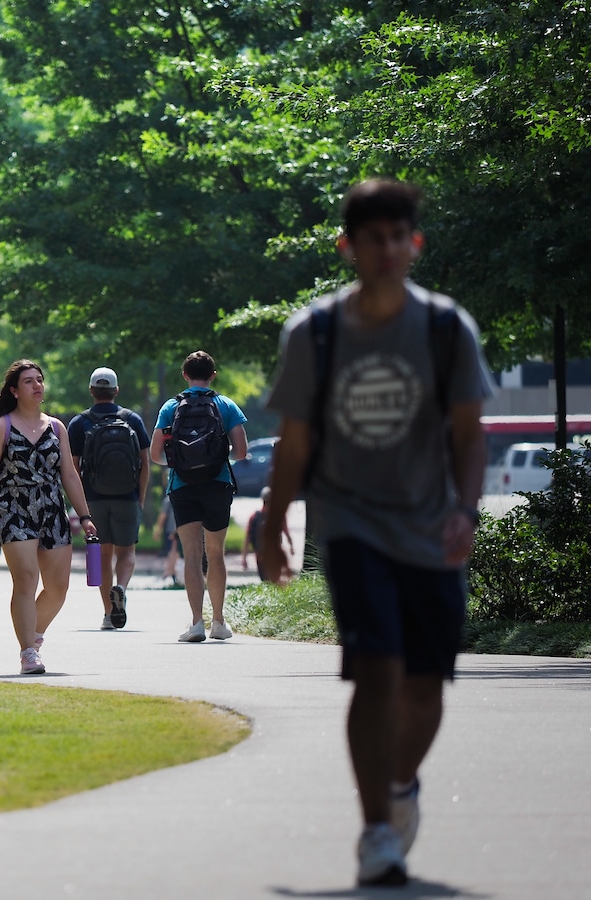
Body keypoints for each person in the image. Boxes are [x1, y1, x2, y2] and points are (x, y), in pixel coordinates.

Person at [260, 178, 494, 887]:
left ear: (414, 244)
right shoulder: (316, 333)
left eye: (400, 237)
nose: (388, 249)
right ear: (349, 247)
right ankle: (376, 837)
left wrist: (467, 510)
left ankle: (398, 787)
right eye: (373, 239)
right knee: (377, 672)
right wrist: (273, 527)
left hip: (430, 524)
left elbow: (469, 435)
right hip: (351, 521)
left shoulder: (446, 328)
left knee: (426, 687)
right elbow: (294, 446)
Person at [0, 359, 98, 675]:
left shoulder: (56, 427)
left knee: (58, 588)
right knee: (27, 579)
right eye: (29, 381)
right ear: (14, 391)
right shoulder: (0, 427)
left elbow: (70, 475)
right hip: (14, 509)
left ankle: (32, 632)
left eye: (40, 380)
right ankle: (28, 652)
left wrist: (85, 516)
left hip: (52, 509)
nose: (37, 385)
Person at [150, 350, 248, 642]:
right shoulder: (226, 405)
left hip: (182, 486)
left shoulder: (170, 407)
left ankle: (196, 623)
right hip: (217, 485)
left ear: (185, 375)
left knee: (191, 555)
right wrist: (215, 459)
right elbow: (241, 451)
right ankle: (219, 621)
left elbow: (155, 455)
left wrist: (180, 462)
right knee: (215, 554)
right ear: (213, 375)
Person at [68, 366, 150, 630]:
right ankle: (121, 587)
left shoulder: (79, 423)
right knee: (126, 552)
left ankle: (107, 614)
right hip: (127, 496)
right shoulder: (132, 419)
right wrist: (140, 496)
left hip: (93, 498)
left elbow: (73, 468)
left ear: (91, 391)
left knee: (103, 554)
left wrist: (81, 507)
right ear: (116, 391)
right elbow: (145, 463)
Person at [242, 486, 293, 582]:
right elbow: (286, 533)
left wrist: (244, 558)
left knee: (264, 581)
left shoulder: (254, 517)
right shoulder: (278, 516)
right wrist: (291, 547)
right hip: (274, 554)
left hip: (259, 556)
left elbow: (248, 538)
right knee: (275, 581)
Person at [152, 494, 182, 587]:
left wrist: (157, 530)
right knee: (175, 552)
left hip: (173, 529)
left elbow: (162, 516)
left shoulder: (168, 500)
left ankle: (169, 572)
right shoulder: (183, 496)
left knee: (173, 552)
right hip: (183, 528)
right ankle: (171, 573)